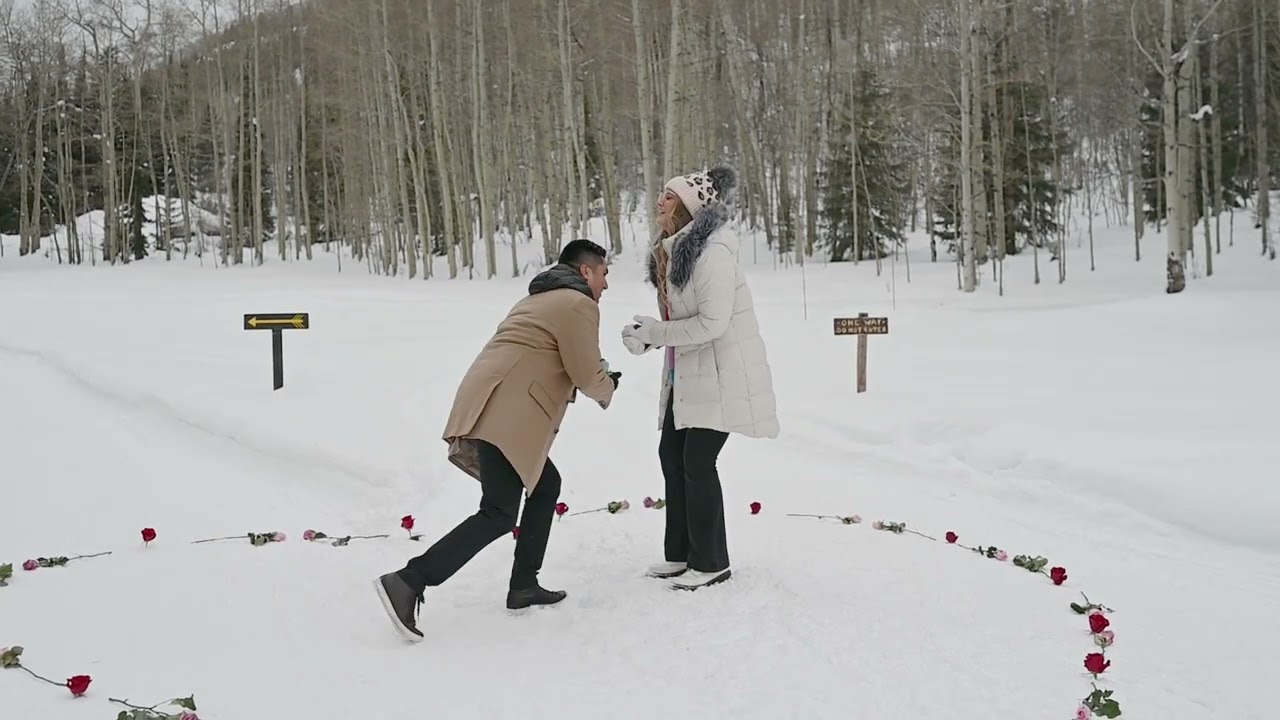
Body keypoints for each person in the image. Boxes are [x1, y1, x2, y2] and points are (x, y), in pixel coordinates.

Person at [375, 239, 620, 642]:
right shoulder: (577, 304)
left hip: (492, 406)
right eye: (604, 274)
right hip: (504, 414)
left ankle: (524, 584)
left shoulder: (539, 299)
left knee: (546, 486)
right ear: (585, 272)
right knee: (498, 513)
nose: (606, 285)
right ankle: (408, 580)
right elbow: (583, 370)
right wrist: (607, 385)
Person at [621, 163, 779, 591]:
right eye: (661, 194)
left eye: (669, 197)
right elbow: (683, 320)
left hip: (722, 374)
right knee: (671, 456)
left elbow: (712, 323)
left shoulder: (712, 252)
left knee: (696, 461)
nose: (660, 201)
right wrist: (649, 336)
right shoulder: (675, 251)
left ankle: (711, 562)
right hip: (688, 374)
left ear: (689, 208)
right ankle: (681, 554)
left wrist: (658, 333)